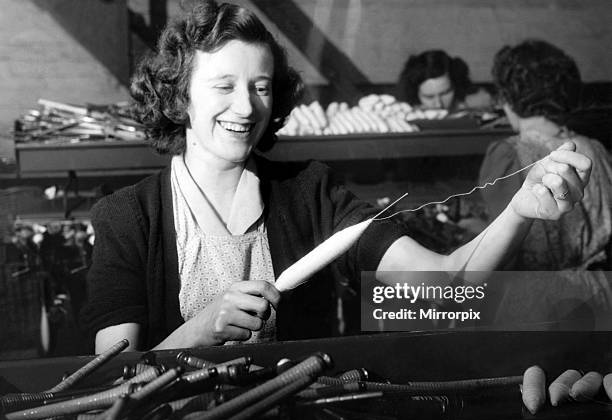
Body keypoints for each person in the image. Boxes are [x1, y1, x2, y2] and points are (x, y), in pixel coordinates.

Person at [80, 2, 591, 353]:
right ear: (178, 96)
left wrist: (521, 209)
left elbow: (444, 294)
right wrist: (198, 331)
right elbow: (114, 379)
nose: (246, 106)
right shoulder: (130, 216)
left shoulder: (309, 193)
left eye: (261, 87)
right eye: (223, 86)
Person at [479, 39, 612, 271]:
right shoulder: (595, 148)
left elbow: (501, 249)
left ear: (507, 98)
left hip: (539, 292)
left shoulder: (508, 154)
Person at [396, 49, 491, 111]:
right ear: (415, 94)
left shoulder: (479, 105)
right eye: (429, 97)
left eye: (445, 93)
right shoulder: (403, 113)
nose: (438, 105)